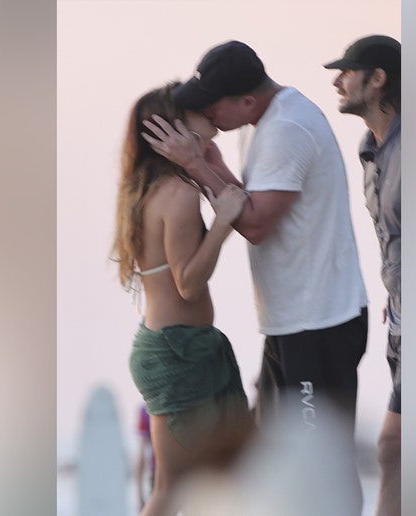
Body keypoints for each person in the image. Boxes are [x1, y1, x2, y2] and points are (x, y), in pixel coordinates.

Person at [142, 40, 368, 514]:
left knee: (316, 461)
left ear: (246, 100)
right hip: (291, 322)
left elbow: (258, 224)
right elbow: (253, 200)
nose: (206, 112)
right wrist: (215, 167)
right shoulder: (263, 123)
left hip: (317, 322)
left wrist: (196, 166)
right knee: (272, 459)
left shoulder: (287, 128)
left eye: (212, 104)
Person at [112, 82, 255, 516]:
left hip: (174, 346)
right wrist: (223, 223)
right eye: (194, 108)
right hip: (178, 351)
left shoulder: (147, 187)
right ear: (172, 126)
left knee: (197, 483)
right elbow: (188, 284)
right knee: (173, 489)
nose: (206, 110)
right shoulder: (179, 193)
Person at [324, 35, 402, 516]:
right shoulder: (369, 151)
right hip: (402, 321)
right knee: (396, 450)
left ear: (378, 79)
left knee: (393, 447)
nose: (338, 81)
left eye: (348, 72)